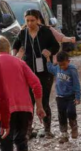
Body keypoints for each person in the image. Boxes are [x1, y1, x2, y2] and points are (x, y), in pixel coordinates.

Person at [0, 36, 43, 151]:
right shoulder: (20, 63)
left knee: (5, 144)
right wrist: (39, 106)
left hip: (2, 111)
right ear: (8, 49)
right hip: (24, 109)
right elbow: (37, 84)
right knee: (21, 140)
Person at [12, 9, 59, 137]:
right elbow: (15, 46)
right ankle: (28, 129)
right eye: (27, 21)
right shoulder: (23, 33)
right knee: (29, 101)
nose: (30, 23)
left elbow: (56, 46)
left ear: (38, 20)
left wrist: (49, 51)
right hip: (28, 71)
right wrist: (15, 56)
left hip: (45, 71)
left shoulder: (46, 32)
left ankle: (47, 129)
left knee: (44, 100)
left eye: (32, 20)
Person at [47, 50, 81, 142]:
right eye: (60, 64)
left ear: (68, 61)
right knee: (61, 115)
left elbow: (76, 84)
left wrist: (78, 97)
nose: (62, 66)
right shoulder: (57, 68)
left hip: (70, 96)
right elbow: (50, 68)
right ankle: (64, 134)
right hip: (60, 97)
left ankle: (74, 127)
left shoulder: (72, 69)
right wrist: (47, 58)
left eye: (64, 64)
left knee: (71, 112)